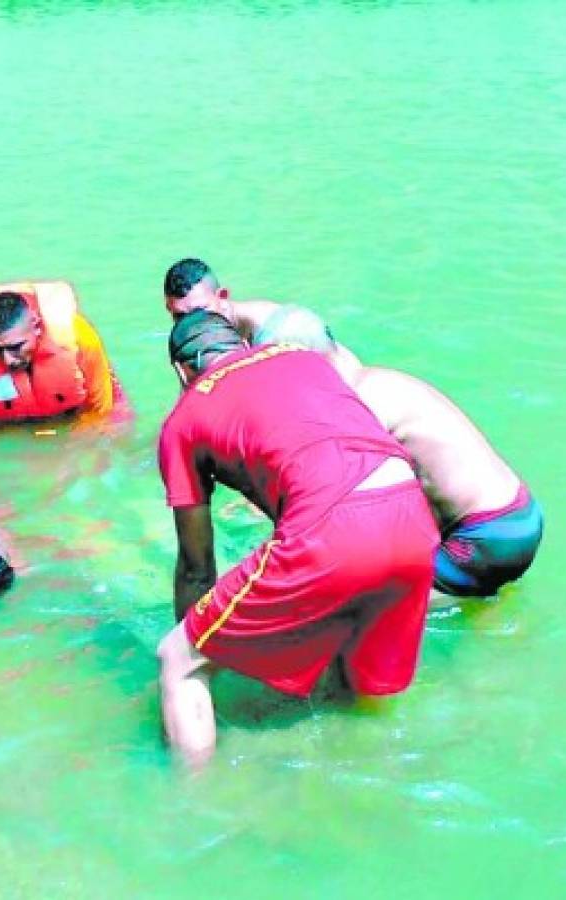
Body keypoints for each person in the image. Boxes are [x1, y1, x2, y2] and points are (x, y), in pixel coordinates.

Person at [156, 310, 439, 766]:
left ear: (180, 370)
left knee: (177, 660)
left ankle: (193, 810)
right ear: (242, 345)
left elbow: (196, 563)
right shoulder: (302, 357)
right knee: (349, 688)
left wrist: (201, 639)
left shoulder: (183, 420)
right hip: (412, 518)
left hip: (334, 529)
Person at [253, 305, 544, 600]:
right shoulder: (375, 378)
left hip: (483, 537)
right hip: (520, 516)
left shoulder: (355, 406)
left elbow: (337, 505)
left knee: (342, 604)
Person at [0, 280, 130, 436]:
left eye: (16, 347)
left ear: (37, 326)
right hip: (13, 422)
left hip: (77, 413)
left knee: (114, 437)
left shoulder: (82, 342)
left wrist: (66, 455)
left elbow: (100, 412)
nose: (8, 360)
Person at [162, 257, 363, 384]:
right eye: (179, 316)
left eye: (200, 310)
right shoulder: (197, 346)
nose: (191, 323)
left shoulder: (285, 331)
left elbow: (343, 388)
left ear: (222, 296)